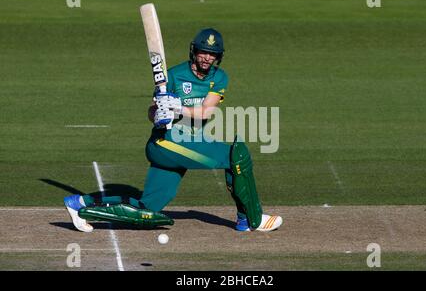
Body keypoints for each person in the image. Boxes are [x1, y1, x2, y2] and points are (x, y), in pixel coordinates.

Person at [64, 28, 283, 233]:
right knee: (235, 156)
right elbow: (152, 112)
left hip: (188, 141)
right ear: (194, 51)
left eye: (212, 54)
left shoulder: (219, 77)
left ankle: (80, 204)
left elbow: (206, 112)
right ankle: (250, 219)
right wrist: (158, 115)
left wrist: (179, 107)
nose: (207, 58)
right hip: (165, 143)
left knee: (147, 206)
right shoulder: (172, 76)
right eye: (203, 52)